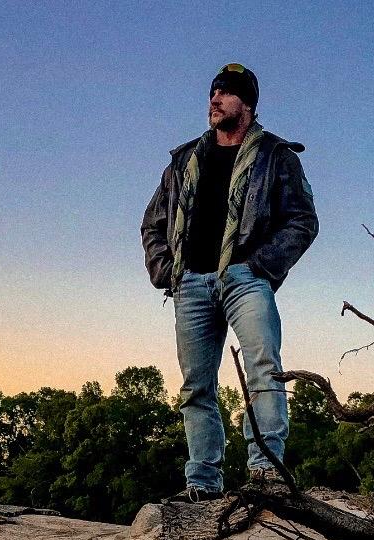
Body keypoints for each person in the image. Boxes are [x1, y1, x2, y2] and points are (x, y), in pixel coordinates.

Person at [140, 63, 318, 502]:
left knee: (264, 369)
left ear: (248, 105)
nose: (214, 100)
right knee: (196, 386)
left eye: (225, 93)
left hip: (245, 279)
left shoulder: (276, 156)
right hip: (191, 283)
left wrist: (259, 266)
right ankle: (202, 482)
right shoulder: (184, 159)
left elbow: (302, 220)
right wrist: (166, 270)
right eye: (212, 92)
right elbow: (153, 223)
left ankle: (266, 472)